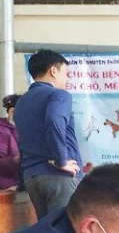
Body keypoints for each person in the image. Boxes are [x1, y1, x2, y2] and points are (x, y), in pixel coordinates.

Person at [15, 49, 82, 219]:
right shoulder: (58, 95)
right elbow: (54, 121)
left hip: (32, 177)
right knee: (63, 232)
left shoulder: (22, 101)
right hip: (57, 176)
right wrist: (61, 161)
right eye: (65, 73)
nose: (67, 79)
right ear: (53, 71)